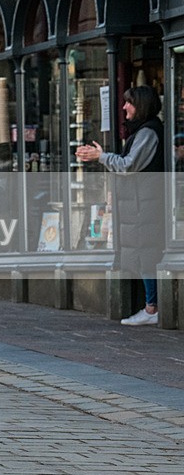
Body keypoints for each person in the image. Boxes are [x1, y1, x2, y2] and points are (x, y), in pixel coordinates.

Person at [76, 85, 164, 326]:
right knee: (142, 253)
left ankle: (152, 307)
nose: (124, 107)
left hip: (145, 204)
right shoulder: (144, 131)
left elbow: (128, 165)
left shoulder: (148, 132)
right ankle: (150, 305)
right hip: (141, 202)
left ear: (142, 106)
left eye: (130, 103)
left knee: (146, 254)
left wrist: (100, 157)